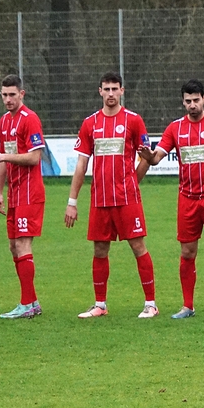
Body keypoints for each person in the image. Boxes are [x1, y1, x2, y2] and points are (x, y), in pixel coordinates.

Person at [136, 80, 204, 319]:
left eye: (196, 100)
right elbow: (156, 158)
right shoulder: (175, 128)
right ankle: (187, 306)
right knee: (187, 252)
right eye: (188, 101)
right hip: (187, 199)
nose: (192, 105)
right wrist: (148, 156)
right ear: (183, 102)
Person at [65, 72, 159, 319]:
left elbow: (147, 157)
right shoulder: (90, 123)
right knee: (99, 249)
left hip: (127, 199)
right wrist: (72, 202)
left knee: (138, 246)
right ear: (100, 92)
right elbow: (81, 165)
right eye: (106, 89)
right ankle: (100, 305)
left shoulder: (133, 121)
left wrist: (132, 182)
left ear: (122, 91)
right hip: (100, 199)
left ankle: (151, 304)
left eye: (114, 89)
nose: (110, 93)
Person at [0, 75, 46, 319]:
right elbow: (2, 159)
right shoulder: (4, 122)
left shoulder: (30, 119)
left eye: (12, 94)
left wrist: (3, 157)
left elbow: (34, 157)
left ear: (22, 94)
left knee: (23, 245)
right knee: (13, 246)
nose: (8, 99)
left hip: (30, 192)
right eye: (4, 95)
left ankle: (27, 304)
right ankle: (32, 301)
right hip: (15, 194)